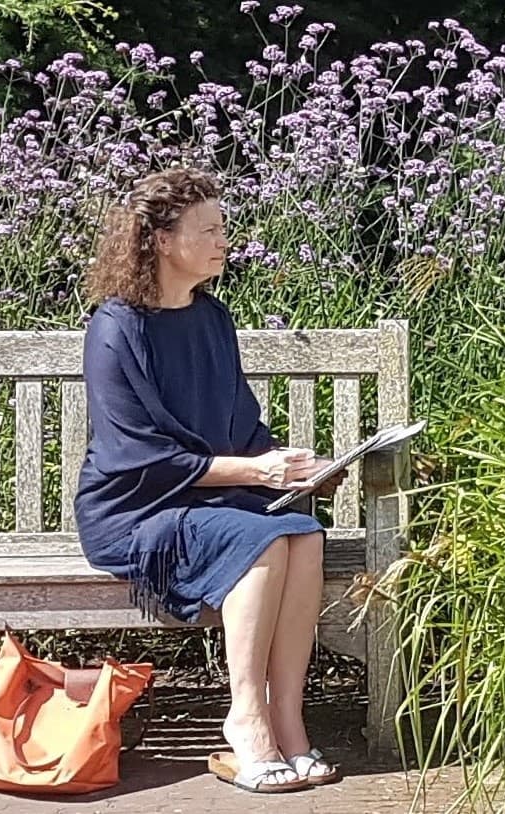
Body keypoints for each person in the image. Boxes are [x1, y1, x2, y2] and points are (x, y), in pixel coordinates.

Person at [74, 167, 347, 794]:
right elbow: (133, 453)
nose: (225, 240)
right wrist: (254, 471)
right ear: (162, 241)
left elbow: (239, 423)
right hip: (135, 510)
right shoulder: (116, 327)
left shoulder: (213, 318)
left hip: (215, 498)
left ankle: (289, 725)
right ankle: (246, 723)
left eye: (223, 227)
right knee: (260, 541)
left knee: (302, 534)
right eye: (209, 229)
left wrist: (294, 466)